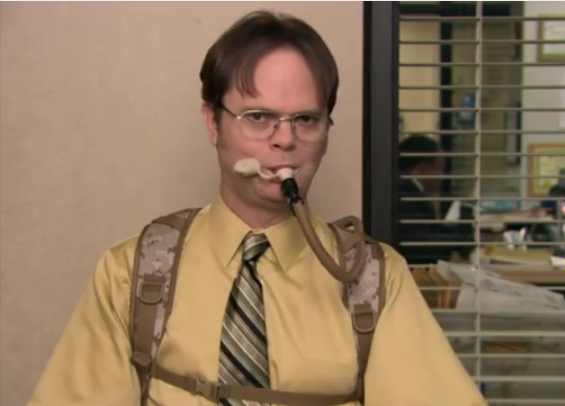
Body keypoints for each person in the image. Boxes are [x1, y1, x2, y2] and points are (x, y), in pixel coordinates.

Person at [27, 10, 486, 406]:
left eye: (305, 119)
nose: (284, 139)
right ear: (213, 123)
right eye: (258, 117)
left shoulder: (375, 282)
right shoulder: (130, 274)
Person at [397, 134, 475, 265]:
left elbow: (426, 233)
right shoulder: (407, 194)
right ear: (422, 170)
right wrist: (459, 236)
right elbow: (422, 248)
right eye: (440, 170)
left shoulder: (405, 190)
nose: (443, 177)